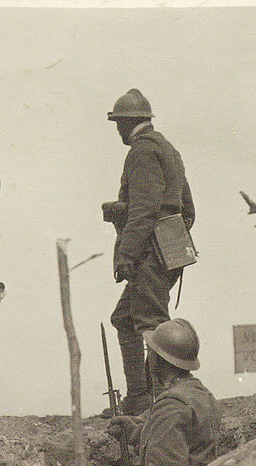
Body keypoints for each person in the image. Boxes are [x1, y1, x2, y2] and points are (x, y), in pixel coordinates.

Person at [103, 88, 196, 415]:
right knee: (125, 318)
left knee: (151, 324)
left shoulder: (141, 152)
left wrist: (128, 253)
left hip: (149, 250)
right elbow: (188, 211)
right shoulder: (169, 149)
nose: (116, 129)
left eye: (118, 123)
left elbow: (144, 209)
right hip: (170, 249)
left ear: (128, 123)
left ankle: (164, 401)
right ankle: (141, 398)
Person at [108, 318, 220, 466]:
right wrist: (134, 432)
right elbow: (180, 442)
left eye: (150, 352)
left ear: (158, 359)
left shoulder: (171, 406)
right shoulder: (200, 394)